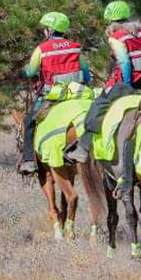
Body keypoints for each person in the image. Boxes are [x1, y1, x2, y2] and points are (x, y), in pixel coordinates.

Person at [68, 0, 141, 164]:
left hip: (130, 83)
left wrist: (126, 85)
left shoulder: (116, 37)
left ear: (111, 22)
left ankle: (83, 148)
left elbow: (125, 63)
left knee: (98, 106)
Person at [19, 11, 91, 175]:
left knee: (29, 121)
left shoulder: (42, 49)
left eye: (45, 28)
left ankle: (29, 160)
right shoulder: (75, 47)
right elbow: (86, 75)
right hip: (77, 93)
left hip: (51, 94)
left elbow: (31, 72)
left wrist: (26, 69)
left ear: (50, 30)